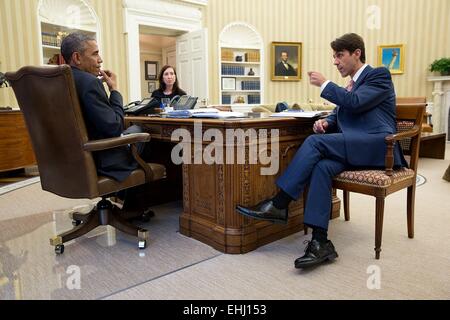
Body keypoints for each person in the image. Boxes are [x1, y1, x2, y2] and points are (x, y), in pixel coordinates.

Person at [236, 33, 407, 269]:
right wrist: (327, 121)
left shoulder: (378, 75)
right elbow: (343, 112)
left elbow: (356, 102)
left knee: (315, 143)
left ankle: (279, 203)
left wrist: (325, 84)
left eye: (339, 55)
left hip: (379, 146)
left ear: (357, 53)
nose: (335, 61)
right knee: (322, 167)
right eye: (334, 57)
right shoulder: (353, 85)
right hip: (354, 146)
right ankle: (320, 242)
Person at [61, 33, 146, 208]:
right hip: (100, 161)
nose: (100, 60)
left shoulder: (59, 82)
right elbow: (114, 127)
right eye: (95, 53)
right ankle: (132, 205)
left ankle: (122, 198)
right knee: (141, 133)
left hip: (68, 163)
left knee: (134, 130)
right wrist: (114, 90)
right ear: (77, 57)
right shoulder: (90, 82)